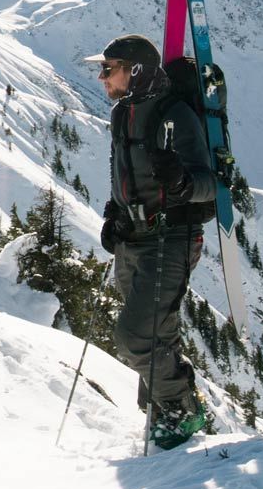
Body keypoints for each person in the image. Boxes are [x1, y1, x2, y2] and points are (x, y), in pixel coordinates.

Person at [86, 32, 221, 451]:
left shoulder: (175, 115)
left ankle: (183, 409)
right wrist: (114, 214)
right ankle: (164, 412)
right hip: (133, 237)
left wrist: (181, 183)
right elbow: (122, 174)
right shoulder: (121, 114)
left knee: (134, 336)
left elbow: (209, 185)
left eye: (109, 70)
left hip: (171, 237)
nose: (102, 78)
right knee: (156, 331)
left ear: (136, 71)